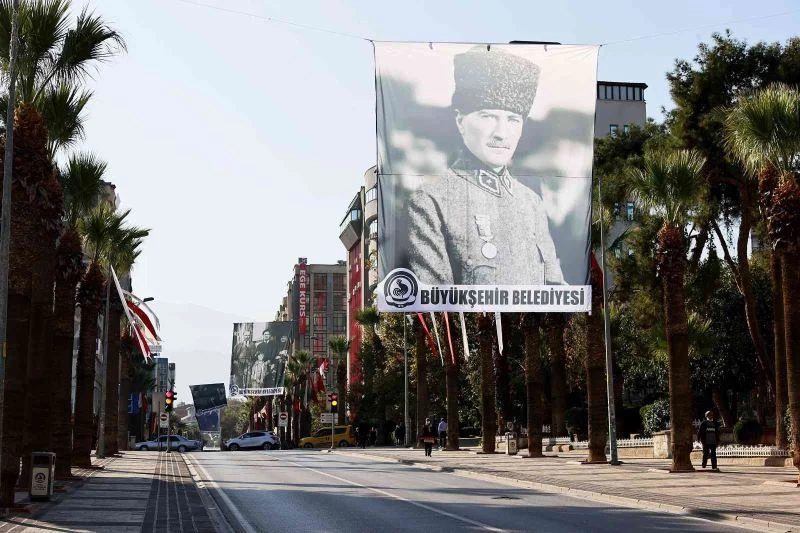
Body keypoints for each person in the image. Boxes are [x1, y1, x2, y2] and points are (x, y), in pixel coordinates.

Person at [405, 46, 565, 286]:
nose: (502, 134)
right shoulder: (431, 199)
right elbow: (435, 300)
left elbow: (555, 291)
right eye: (488, 116)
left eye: (513, 119)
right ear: (460, 120)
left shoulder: (532, 203)